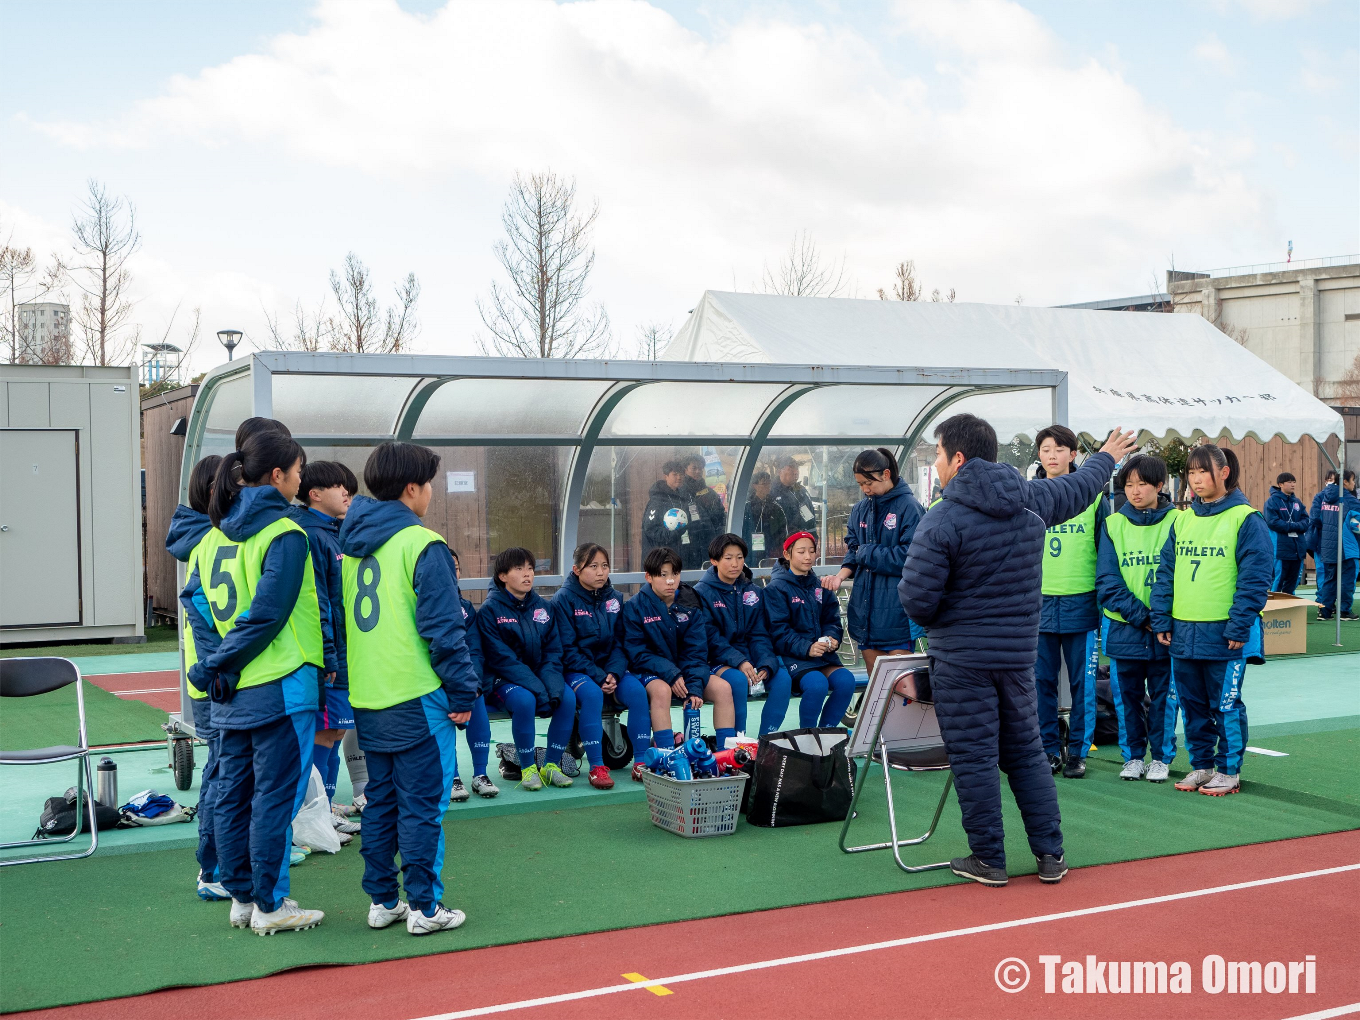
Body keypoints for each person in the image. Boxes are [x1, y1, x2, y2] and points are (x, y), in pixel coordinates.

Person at [899, 413, 1137, 887]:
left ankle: (989, 859)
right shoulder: (1030, 499)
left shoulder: (942, 518)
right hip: (1017, 656)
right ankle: (1051, 856)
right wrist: (1107, 455)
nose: (939, 465)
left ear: (958, 458)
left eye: (941, 455)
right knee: (1027, 754)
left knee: (975, 758)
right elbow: (1082, 485)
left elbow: (917, 600)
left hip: (962, 661)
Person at [180, 430, 327, 934]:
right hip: (281, 685)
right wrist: (223, 662)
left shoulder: (211, 538)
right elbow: (268, 616)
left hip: (232, 688)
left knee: (234, 793)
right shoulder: (285, 533)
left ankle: (242, 896)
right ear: (278, 476)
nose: (303, 481)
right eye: (300, 472)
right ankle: (270, 903)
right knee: (274, 798)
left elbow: (196, 605)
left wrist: (215, 663)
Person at [339, 441, 479, 935]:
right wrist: (463, 695)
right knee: (423, 806)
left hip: (370, 698)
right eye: (430, 485)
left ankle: (383, 901)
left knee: (382, 802)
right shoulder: (424, 544)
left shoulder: (351, 548)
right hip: (419, 695)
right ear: (412, 488)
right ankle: (424, 907)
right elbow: (445, 631)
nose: (432, 494)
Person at [1151, 445, 1272, 797]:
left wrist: (1238, 625)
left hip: (1225, 633)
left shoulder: (1246, 518)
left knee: (1226, 704)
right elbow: (1166, 574)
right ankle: (1202, 766)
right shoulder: (1183, 519)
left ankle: (1229, 770)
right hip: (1183, 631)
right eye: (1190, 473)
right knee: (1192, 705)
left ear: (1223, 473)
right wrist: (1162, 621)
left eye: (1202, 471)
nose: (1196, 479)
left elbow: (1255, 578)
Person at [1095, 455, 1179, 784]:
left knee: (1164, 698)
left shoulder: (1178, 521)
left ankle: (1160, 757)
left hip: (1165, 632)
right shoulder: (1113, 525)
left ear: (1160, 485)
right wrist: (1143, 617)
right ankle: (1133, 756)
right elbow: (1107, 582)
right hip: (1125, 630)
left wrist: (1159, 619)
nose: (1134, 491)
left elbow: (1178, 576)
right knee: (1125, 697)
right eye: (1128, 485)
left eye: (1142, 483)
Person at [1033, 424, 1110, 780]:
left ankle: (1078, 752)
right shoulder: (1029, 494)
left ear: (1073, 454)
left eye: (1059, 449)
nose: (1052, 455)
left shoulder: (1094, 496)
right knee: (1040, 683)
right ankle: (1048, 749)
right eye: (1046, 449)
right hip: (1038, 606)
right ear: (1039, 455)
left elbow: (1106, 551)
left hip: (1081, 603)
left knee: (1083, 684)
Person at [167, 454, 225, 900]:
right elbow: (206, 614)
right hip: (217, 679)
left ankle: (224, 861)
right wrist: (220, 669)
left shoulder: (201, 535)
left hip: (212, 675)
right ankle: (215, 868)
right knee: (224, 774)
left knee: (224, 772)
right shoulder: (210, 538)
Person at [288, 461, 359, 817]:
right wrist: (328, 656)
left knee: (335, 733)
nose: (347, 492)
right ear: (314, 494)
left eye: (348, 486)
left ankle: (325, 808)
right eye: (338, 486)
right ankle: (316, 813)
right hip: (329, 657)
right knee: (324, 734)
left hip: (345, 653)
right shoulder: (312, 535)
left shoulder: (336, 532)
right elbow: (317, 602)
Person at [477, 547, 576, 791]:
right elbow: (501, 659)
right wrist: (538, 689)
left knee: (567, 697)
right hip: (502, 678)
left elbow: (553, 652)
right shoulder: (490, 611)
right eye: (519, 569)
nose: (527, 574)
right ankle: (527, 768)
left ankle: (551, 766)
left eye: (530, 568)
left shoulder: (544, 607)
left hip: (537, 675)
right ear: (502, 576)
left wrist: (549, 685)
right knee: (524, 701)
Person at [822, 448, 926, 676]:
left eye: (869, 482)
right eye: (860, 484)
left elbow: (912, 557)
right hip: (866, 612)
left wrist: (867, 553)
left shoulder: (910, 508)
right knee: (877, 690)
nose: (865, 489)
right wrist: (840, 577)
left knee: (900, 688)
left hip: (898, 612)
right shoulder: (860, 510)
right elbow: (853, 551)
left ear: (886, 474)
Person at [551, 543, 647, 789]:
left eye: (604, 566)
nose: (601, 572)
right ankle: (596, 767)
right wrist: (598, 676)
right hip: (577, 671)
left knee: (637, 692)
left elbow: (620, 642)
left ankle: (641, 763)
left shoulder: (615, 598)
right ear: (576, 570)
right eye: (593, 566)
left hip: (610, 670)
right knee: (592, 695)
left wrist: (613, 673)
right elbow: (567, 649)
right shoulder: (563, 600)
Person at [620, 547, 732, 752]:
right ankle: (666, 755)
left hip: (685, 673)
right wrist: (671, 674)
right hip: (650, 672)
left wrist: (694, 687)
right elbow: (637, 653)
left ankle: (725, 755)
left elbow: (696, 651)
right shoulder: (635, 607)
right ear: (649, 577)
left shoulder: (691, 604)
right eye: (663, 575)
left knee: (723, 689)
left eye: (675, 574)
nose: (670, 581)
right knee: (662, 691)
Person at [695, 534, 791, 736]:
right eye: (728, 558)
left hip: (749, 659)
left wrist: (765, 663)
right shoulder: (701, 593)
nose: (735, 564)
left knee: (781, 679)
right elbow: (710, 638)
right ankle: (738, 744)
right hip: (716, 660)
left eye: (739, 557)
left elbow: (760, 633)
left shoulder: (753, 591)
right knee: (738, 681)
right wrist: (740, 662)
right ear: (714, 561)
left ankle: (767, 740)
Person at [764, 532, 856, 729]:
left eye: (812, 551)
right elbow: (778, 631)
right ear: (787, 555)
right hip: (793, 657)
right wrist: (807, 648)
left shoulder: (819, 585)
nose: (808, 556)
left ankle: (826, 734)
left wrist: (832, 639)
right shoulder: (776, 589)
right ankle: (808, 735)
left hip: (822, 657)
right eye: (801, 551)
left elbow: (832, 620)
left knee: (847, 681)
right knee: (817, 685)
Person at [448, 550, 498, 800]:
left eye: (456, 567)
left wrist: (474, 684)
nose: (452, 572)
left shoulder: (467, 608)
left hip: (466, 679)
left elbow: (475, 652)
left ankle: (480, 774)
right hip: (437, 683)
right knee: (443, 712)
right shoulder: (418, 605)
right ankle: (452, 777)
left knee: (477, 699)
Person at [1309, 469, 1360, 621]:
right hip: (1346, 547)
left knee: (1329, 580)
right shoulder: (1348, 499)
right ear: (1345, 482)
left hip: (1327, 546)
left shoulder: (1323, 497)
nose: (1354, 484)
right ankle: (1344, 611)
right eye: (1353, 480)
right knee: (1347, 580)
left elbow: (1316, 519)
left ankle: (1324, 612)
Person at [1264, 472, 1310, 596]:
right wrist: (1294, 526)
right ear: (1280, 485)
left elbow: (1306, 521)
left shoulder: (1297, 502)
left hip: (1297, 549)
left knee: (1293, 582)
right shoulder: (1272, 501)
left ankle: (1290, 611)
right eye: (1289, 482)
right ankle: (1274, 609)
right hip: (1281, 549)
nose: (1293, 484)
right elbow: (1272, 522)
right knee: (1278, 581)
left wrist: (1292, 526)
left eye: (1294, 482)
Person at [681, 454, 727, 570]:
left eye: (700, 468)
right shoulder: (680, 492)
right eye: (694, 468)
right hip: (687, 546)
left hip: (709, 544)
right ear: (685, 469)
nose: (698, 471)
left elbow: (721, 518)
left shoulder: (710, 494)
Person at [641, 461, 692, 562]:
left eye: (681, 474)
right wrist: (674, 534)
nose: (679, 477)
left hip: (682, 554)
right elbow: (651, 529)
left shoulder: (684, 497)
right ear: (666, 476)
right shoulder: (657, 500)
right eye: (675, 474)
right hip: (661, 558)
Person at [742, 471, 788, 566]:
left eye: (769, 483)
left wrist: (776, 547)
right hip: (750, 550)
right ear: (755, 485)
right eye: (764, 483)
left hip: (771, 551)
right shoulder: (747, 507)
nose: (768, 486)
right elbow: (743, 530)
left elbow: (782, 531)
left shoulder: (776, 507)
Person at [770, 458, 818, 538]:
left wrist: (814, 536)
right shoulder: (772, 493)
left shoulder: (802, 491)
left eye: (796, 468)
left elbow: (810, 516)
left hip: (805, 539)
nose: (795, 472)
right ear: (779, 471)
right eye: (790, 469)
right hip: (784, 542)